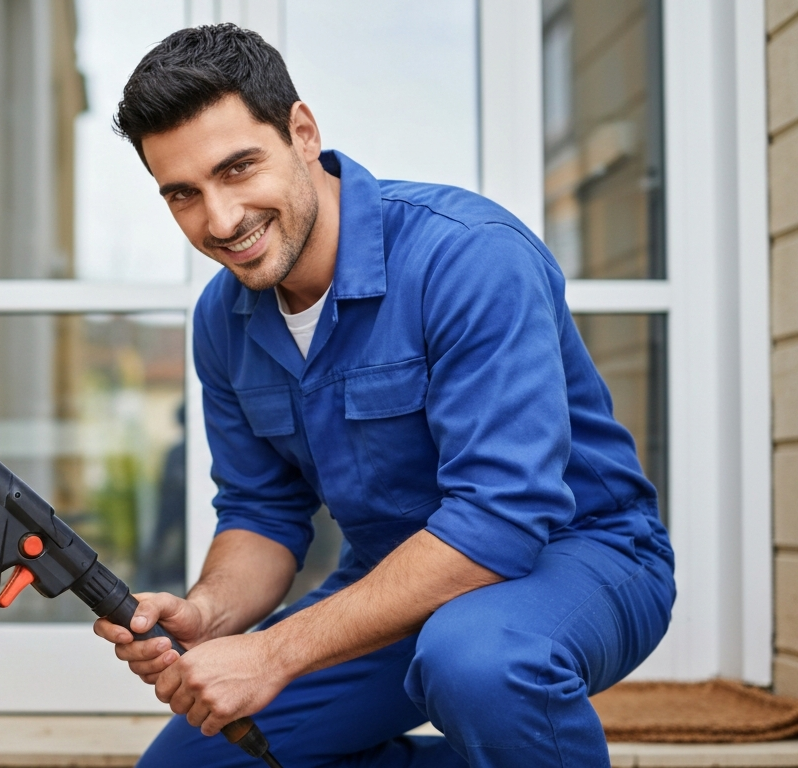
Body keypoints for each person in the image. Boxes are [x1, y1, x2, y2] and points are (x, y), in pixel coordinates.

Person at [91, 23, 675, 768]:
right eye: (184, 194)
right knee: (196, 764)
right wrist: (209, 613)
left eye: (238, 169)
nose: (221, 220)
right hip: (392, 579)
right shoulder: (224, 318)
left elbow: (501, 519)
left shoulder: (467, 255)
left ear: (302, 132)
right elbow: (263, 512)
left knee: (477, 661)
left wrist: (273, 654)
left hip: (579, 555)